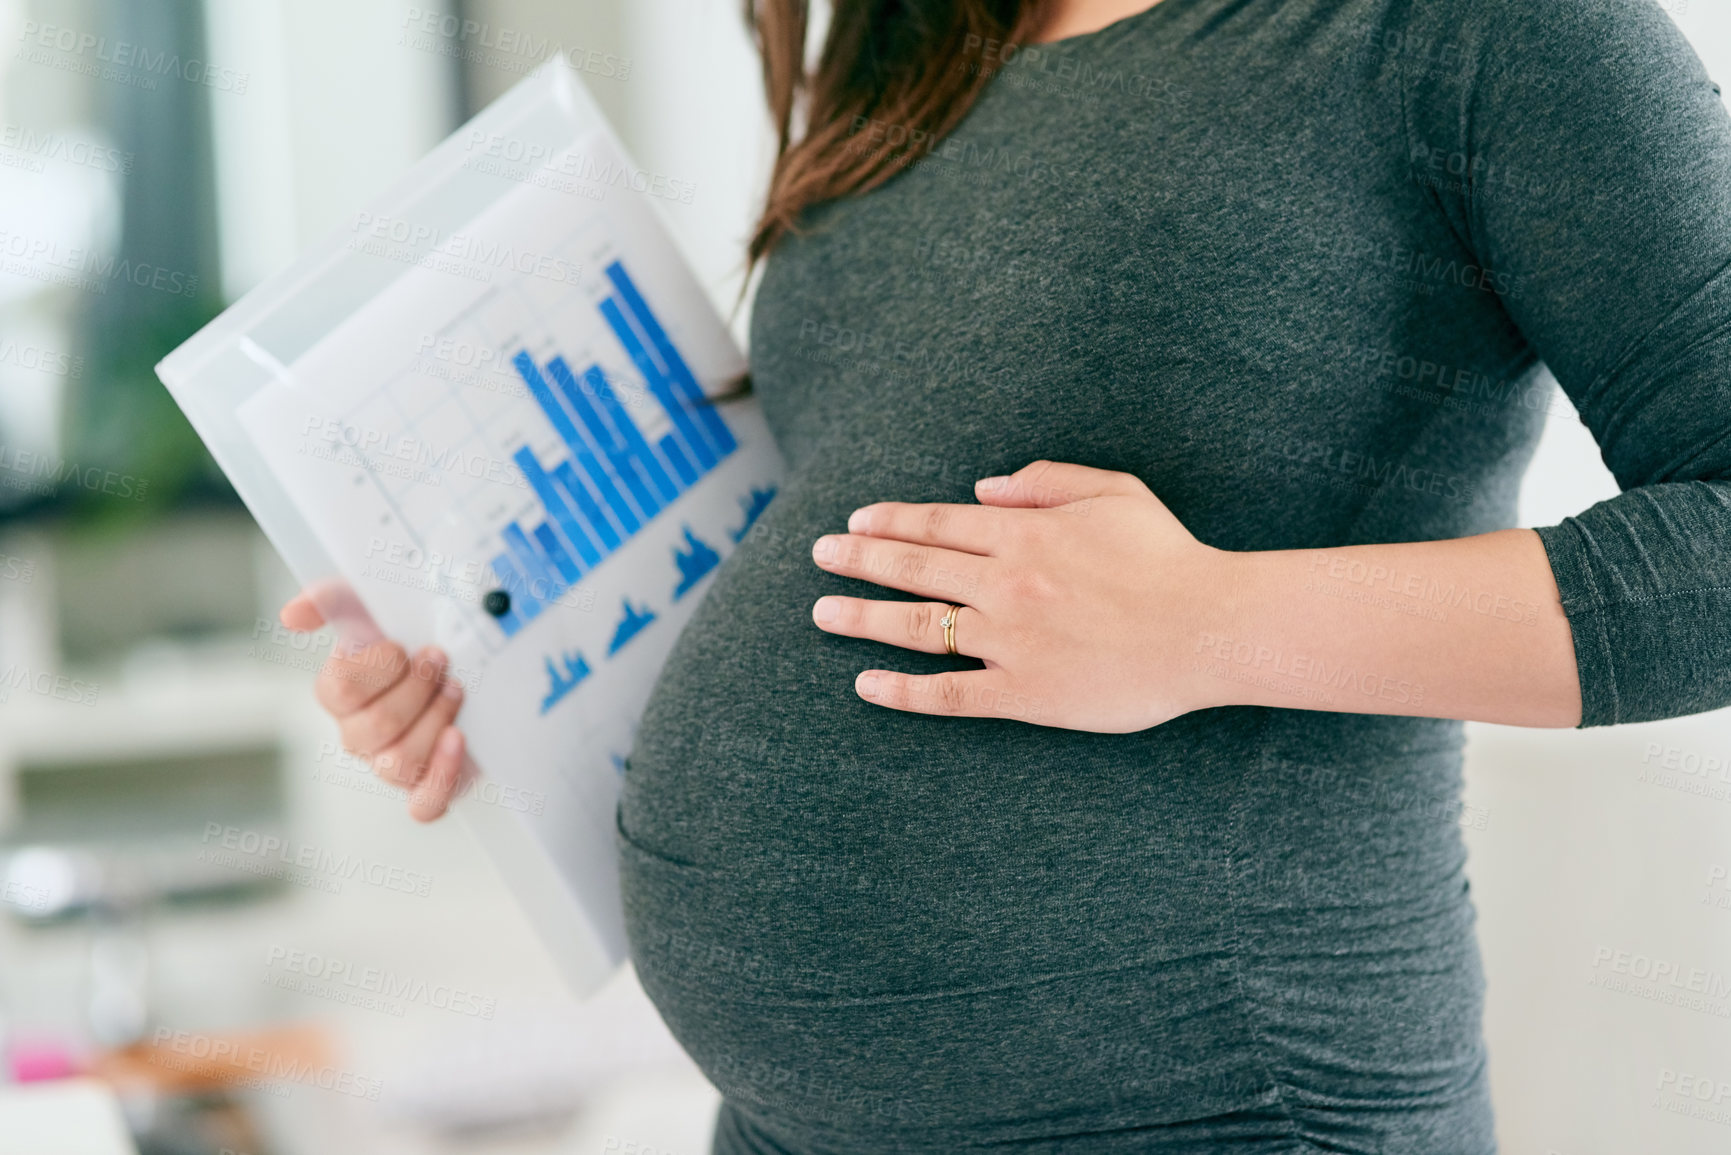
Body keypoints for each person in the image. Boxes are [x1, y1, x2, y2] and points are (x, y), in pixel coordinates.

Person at [279, 0, 1731, 1149]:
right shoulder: (911, 40)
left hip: (1217, 1118)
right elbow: (846, 520)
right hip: (789, 1127)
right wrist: (515, 659)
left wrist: (1212, 623)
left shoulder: (1486, 31)